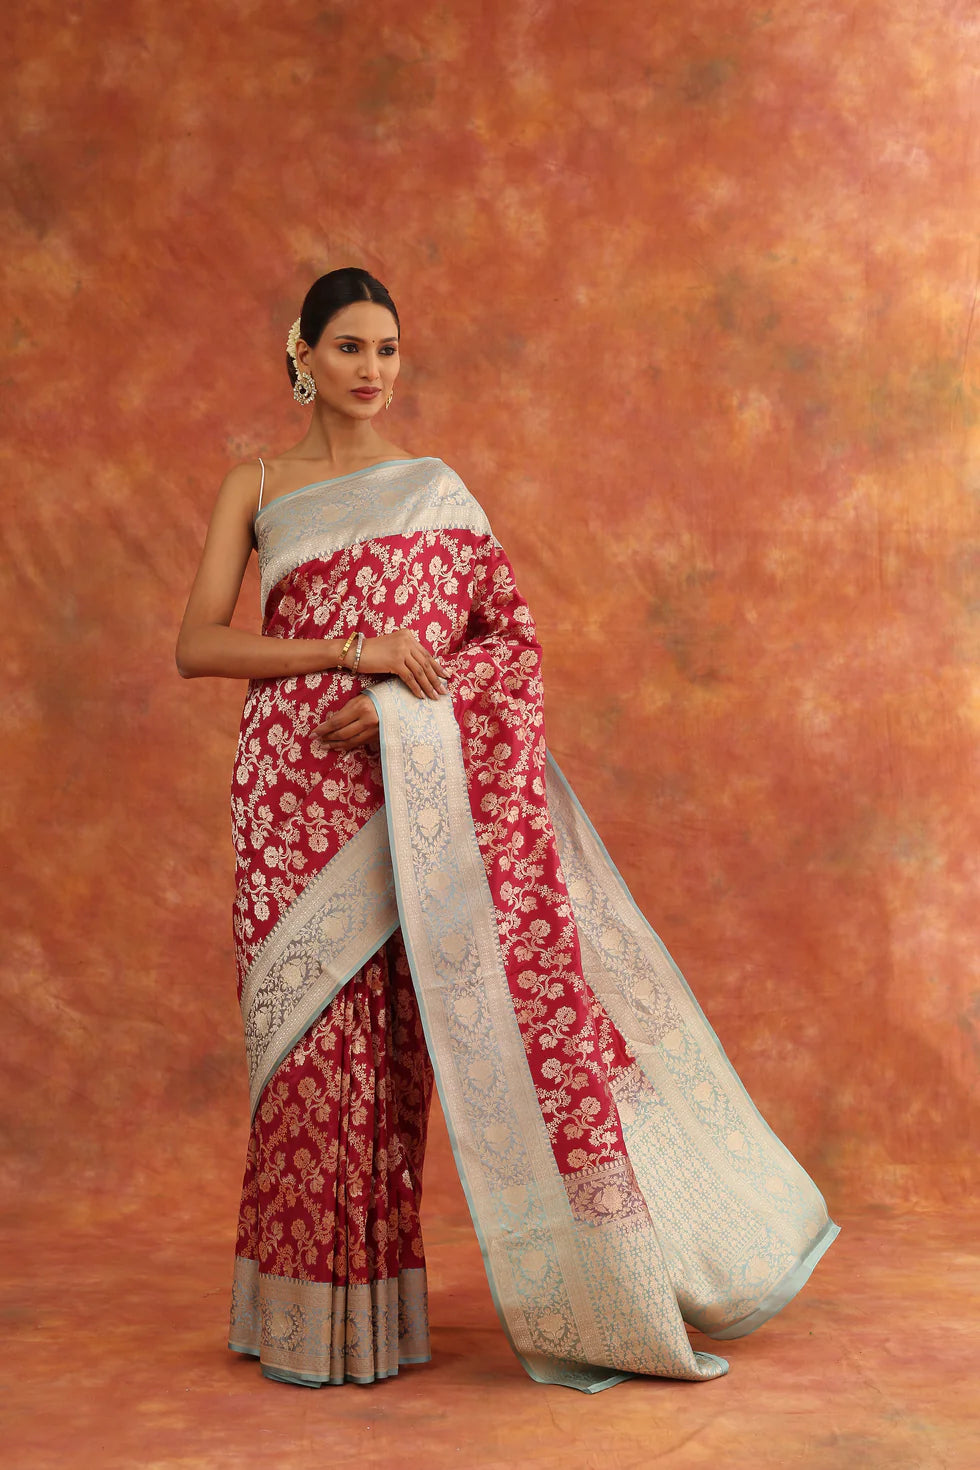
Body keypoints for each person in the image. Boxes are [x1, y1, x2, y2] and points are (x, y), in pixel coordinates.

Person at [176, 266, 839, 1392]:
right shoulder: (258, 484)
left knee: (390, 1059)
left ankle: (385, 1324)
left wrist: (400, 711)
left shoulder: (436, 491)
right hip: (288, 794)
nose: (372, 369)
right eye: (349, 347)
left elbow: (509, 647)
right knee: (306, 1063)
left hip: (410, 795)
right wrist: (351, 652)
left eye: (388, 348)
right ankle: (295, 1322)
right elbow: (199, 644)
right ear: (303, 354)